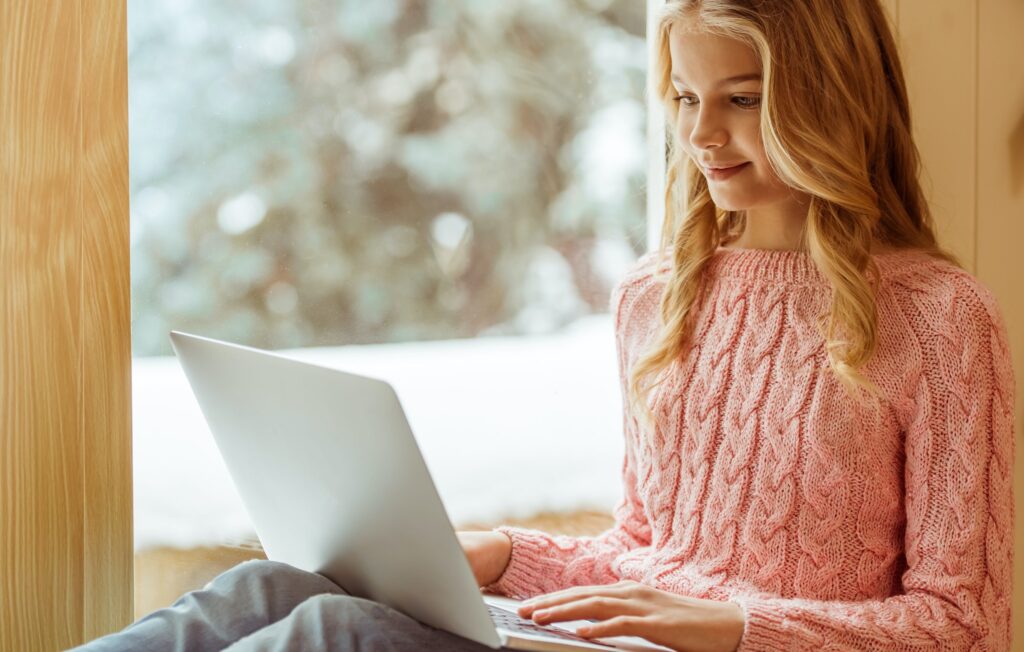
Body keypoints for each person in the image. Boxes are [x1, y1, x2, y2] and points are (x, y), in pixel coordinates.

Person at [73, 0, 1016, 650]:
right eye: (686, 99)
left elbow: (960, 625)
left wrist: (732, 628)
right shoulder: (658, 295)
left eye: (743, 99)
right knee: (264, 591)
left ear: (834, 99)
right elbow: (646, 553)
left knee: (337, 636)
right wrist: (505, 555)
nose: (701, 137)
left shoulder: (937, 318)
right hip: (617, 645)